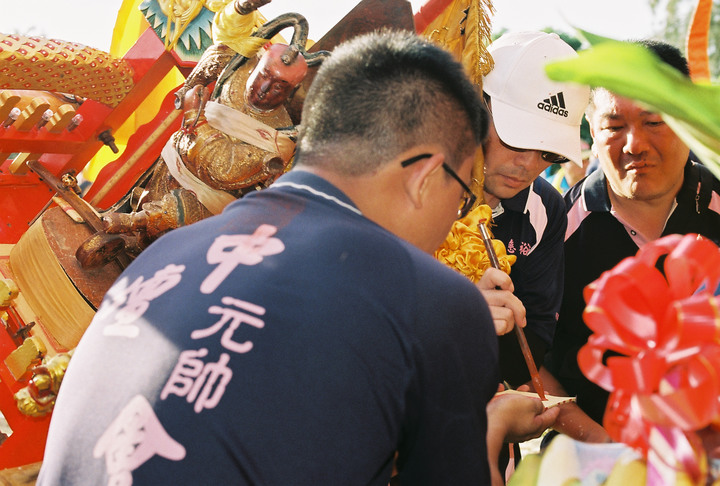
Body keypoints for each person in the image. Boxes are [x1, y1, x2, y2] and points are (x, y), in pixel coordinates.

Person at [38, 30, 554, 485]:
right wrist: (488, 429)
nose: (456, 218)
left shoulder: (173, 247)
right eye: (464, 195)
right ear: (423, 175)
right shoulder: (436, 303)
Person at [542, 39, 720, 442]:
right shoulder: (554, 229)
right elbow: (529, 360)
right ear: (590, 127)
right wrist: (601, 444)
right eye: (614, 126)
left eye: (654, 121)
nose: (634, 144)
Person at [478, 31, 590, 387]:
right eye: (515, 138)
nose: (527, 164)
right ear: (477, 105)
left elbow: (535, 343)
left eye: (549, 153)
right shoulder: (408, 185)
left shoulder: (547, 209)